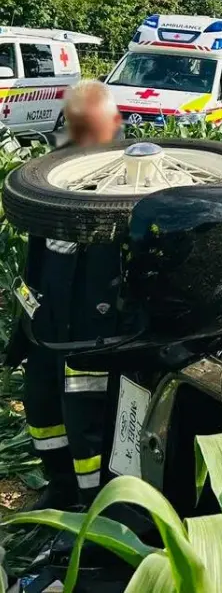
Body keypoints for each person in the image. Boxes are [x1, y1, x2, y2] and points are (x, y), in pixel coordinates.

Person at [13, 80, 123, 510]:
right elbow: (35, 252)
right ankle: (59, 487)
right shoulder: (56, 175)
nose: (84, 143)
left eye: (92, 132)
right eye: (77, 131)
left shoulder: (134, 178)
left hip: (93, 327)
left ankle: (93, 506)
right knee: (42, 407)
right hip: (49, 316)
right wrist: (25, 321)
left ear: (115, 125)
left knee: (88, 425)